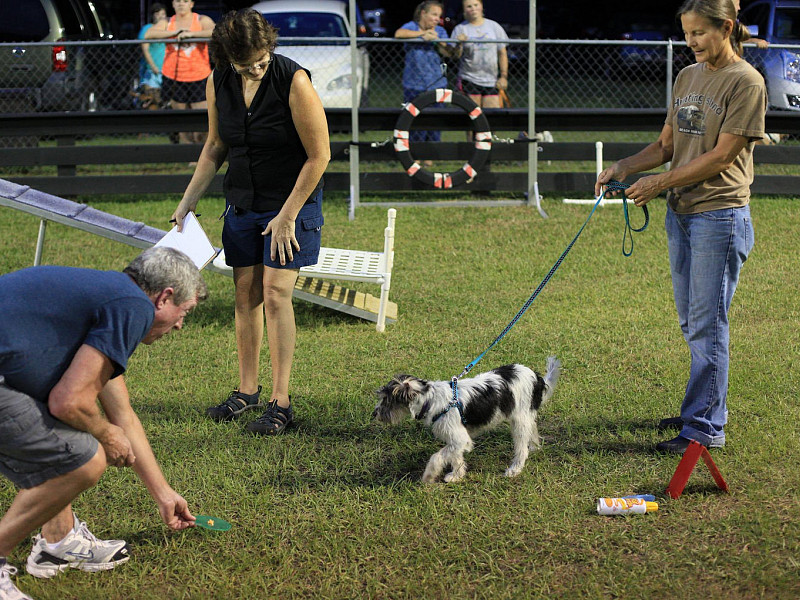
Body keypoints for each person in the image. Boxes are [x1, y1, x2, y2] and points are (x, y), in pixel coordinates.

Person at [595, 0, 766, 454]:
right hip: (683, 215)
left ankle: (706, 428)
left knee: (708, 325)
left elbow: (722, 156)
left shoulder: (746, 82)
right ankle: (700, 411)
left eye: (699, 33)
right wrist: (625, 167)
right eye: (687, 33)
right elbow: (667, 144)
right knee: (693, 323)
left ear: (726, 27)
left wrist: (658, 183)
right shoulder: (687, 76)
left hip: (720, 215)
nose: (691, 42)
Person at [0, 247, 207, 600]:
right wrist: (104, 434)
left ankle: (58, 541)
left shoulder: (108, 297)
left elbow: (122, 414)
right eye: (183, 312)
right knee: (87, 458)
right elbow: (69, 402)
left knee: (69, 443)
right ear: (164, 297)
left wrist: (163, 495)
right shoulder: (133, 307)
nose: (179, 325)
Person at [170, 9, 330, 436]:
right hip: (242, 203)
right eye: (247, 66)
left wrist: (288, 216)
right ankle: (247, 391)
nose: (257, 69)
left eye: (263, 60)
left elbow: (320, 155)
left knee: (277, 294)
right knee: (246, 296)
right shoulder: (217, 80)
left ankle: (282, 401)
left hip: (290, 203)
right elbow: (214, 146)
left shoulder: (294, 81)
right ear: (226, 58)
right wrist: (187, 203)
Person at [145, 0, 216, 144]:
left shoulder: (201, 19)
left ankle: (201, 154)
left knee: (202, 119)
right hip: (174, 75)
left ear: (191, 4)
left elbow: (215, 31)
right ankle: (186, 156)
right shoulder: (167, 21)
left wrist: (191, 34)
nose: (181, 4)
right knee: (181, 120)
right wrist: (175, 33)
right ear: (173, 4)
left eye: (185, 1)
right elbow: (149, 34)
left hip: (199, 75)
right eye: (177, 1)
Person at [394, 1, 459, 146]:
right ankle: (415, 154)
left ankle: (430, 156)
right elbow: (399, 34)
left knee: (435, 123)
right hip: (413, 84)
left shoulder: (440, 31)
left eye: (439, 16)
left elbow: (448, 54)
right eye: (434, 15)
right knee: (415, 122)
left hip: (437, 83)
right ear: (423, 13)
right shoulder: (411, 27)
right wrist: (423, 34)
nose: (437, 19)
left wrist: (438, 41)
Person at [453, 0, 509, 109]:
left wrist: (503, 76)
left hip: (491, 79)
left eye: (475, 5)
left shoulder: (494, 26)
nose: (473, 8)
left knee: (492, 115)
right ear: (464, 10)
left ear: (481, 6)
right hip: (469, 78)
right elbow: (456, 55)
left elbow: (502, 53)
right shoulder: (460, 29)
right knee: (473, 115)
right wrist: (459, 44)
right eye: (469, 6)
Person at [137, 3, 168, 109]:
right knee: (152, 102)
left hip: (167, 71)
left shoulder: (168, 29)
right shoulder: (147, 29)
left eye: (163, 13)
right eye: (157, 13)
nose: (160, 16)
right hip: (152, 71)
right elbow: (144, 49)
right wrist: (153, 66)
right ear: (153, 15)